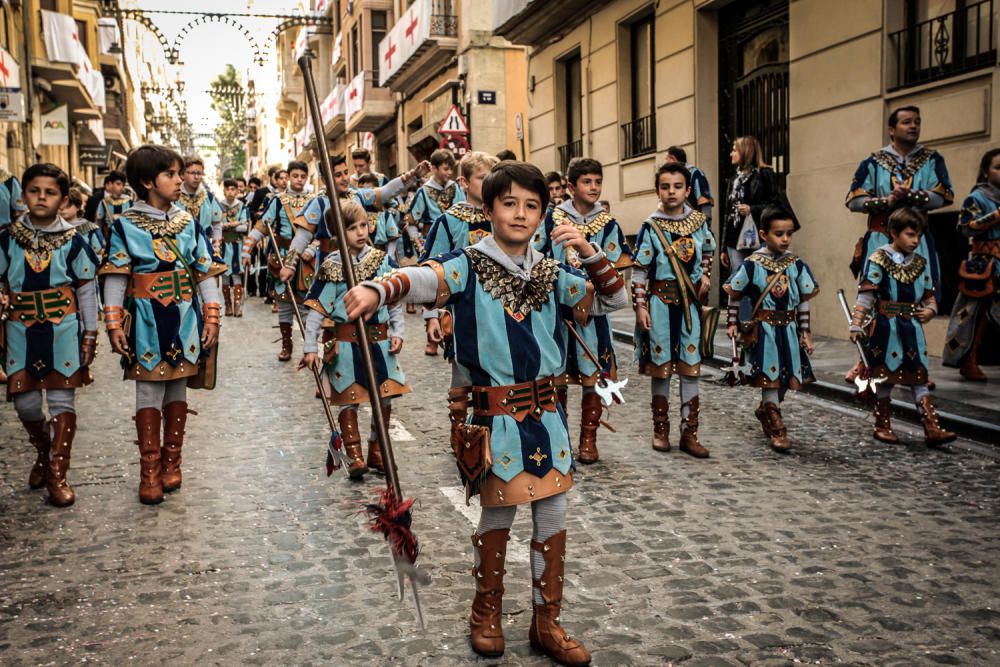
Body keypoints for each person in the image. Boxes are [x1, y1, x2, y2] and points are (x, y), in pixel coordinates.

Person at [343, 161, 628, 666]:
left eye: (532, 205)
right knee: (498, 512)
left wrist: (588, 250)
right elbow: (420, 278)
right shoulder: (467, 265)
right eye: (510, 203)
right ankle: (486, 614)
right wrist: (377, 288)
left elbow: (613, 301)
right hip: (493, 418)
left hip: (547, 415)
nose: (520, 214)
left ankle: (547, 621)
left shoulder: (551, 271)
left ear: (543, 213)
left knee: (553, 514)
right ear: (490, 208)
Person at [101, 144, 226, 505]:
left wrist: (213, 316)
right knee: (148, 392)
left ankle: (173, 463)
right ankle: (149, 472)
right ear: (146, 181)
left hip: (185, 317)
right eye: (170, 174)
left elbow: (204, 273)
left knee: (177, 390)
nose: (178, 180)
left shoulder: (189, 222)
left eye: (178, 173)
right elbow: (115, 276)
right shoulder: (124, 224)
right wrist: (113, 324)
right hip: (144, 319)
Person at [0, 163, 99, 507]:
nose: (41, 197)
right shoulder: (7, 239)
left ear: (63, 198)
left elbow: (86, 289)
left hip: (64, 330)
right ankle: (43, 451)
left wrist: (90, 334)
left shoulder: (75, 241)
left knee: (61, 402)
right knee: (26, 403)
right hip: (19, 330)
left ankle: (58, 473)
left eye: (50, 192)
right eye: (34, 191)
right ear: (23, 194)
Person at [300, 200, 407, 478]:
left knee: (383, 397)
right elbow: (315, 309)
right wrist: (310, 346)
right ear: (338, 233)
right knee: (349, 399)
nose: (360, 232)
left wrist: (398, 332)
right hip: (346, 344)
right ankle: (354, 454)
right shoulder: (331, 266)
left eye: (363, 225)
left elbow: (394, 301)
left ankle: (377, 451)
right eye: (351, 228)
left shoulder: (382, 260)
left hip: (380, 341)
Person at [538, 157, 631, 464]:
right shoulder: (551, 218)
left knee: (594, 374)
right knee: (558, 375)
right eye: (586, 182)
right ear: (570, 186)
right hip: (559, 310)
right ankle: (559, 438)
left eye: (597, 182)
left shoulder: (608, 223)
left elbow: (616, 266)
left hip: (594, 311)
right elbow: (539, 256)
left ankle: (588, 440)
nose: (593, 187)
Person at [849, 207, 955, 447]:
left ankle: (932, 427)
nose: (916, 240)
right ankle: (882, 424)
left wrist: (929, 311)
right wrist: (856, 324)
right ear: (894, 233)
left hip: (912, 329)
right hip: (886, 328)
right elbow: (866, 296)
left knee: (918, 375)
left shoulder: (920, 263)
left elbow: (929, 297)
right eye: (910, 234)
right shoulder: (878, 258)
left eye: (918, 235)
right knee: (886, 377)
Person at [632, 162, 716, 458]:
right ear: (658, 190)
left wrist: (706, 274)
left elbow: (707, 251)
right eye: (665, 186)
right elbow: (640, 270)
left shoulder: (698, 223)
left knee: (690, 368)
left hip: (689, 305)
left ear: (687, 190)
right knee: (662, 369)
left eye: (677, 186)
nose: (671, 192)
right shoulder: (650, 227)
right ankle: (661, 430)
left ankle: (689, 433)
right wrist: (640, 306)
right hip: (659, 305)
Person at [724, 205, 818, 452]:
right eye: (779, 234)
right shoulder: (752, 265)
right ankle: (777, 426)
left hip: (788, 329)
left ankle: (768, 407)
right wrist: (732, 322)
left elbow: (803, 299)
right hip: (764, 330)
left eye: (789, 233)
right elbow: (735, 293)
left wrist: (805, 331)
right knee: (770, 376)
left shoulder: (796, 265)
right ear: (764, 234)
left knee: (788, 376)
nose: (785, 239)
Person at [420, 151, 500, 441]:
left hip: (500, 307)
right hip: (463, 311)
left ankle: (494, 432)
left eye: (493, 177)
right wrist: (431, 316)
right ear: (464, 182)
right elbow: (432, 270)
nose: (489, 183)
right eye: (482, 178)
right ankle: (461, 435)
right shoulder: (449, 221)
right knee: (463, 374)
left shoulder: (502, 215)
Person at [243, 161, 316, 361]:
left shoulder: (314, 200)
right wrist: (247, 249)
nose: (299, 179)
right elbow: (262, 226)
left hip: (306, 259)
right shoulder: (277, 201)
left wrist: (312, 247)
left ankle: (309, 348)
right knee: (284, 302)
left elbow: (322, 230)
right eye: (295, 176)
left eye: (303, 176)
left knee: (305, 304)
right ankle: (287, 344)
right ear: (289, 177)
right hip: (282, 256)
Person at [943, 148, 1000, 380]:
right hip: (984, 265)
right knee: (974, 317)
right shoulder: (977, 197)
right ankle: (968, 361)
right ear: (986, 172)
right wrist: (995, 216)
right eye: (998, 167)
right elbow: (965, 227)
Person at [721, 136, 784, 271]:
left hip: (759, 238)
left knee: (760, 280)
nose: (731, 154)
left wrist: (752, 209)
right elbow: (728, 214)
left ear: (745, 152)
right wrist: (724, 247)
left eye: (734, 150)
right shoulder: (734, 180)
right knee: (739, 284)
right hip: (734, 240)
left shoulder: (764, 174)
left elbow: (776, 204)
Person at [219, 178, 249, 317]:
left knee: (237, 273)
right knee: (225, 273)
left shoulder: (242, 206)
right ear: (224, 190)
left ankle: (237, 305)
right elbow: (216, 225)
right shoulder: (219, 206)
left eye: (233, 189)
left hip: (237, 245)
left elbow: (245, 226)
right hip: (223, 245)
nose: (230, 192)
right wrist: (234, 224)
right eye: (228, 189)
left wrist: (228, 225)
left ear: (237, 191)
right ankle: (228, 305)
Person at [177, 156, 223, 246]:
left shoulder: (209, 197)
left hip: (204, 246)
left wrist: (216, 244)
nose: (196, 177)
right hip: (179, 245)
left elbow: (216, 224)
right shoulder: (174, 195)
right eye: (192, 173)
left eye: (199, 173)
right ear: (182, 174)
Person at [665, 145, 714, 221]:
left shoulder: (696, 174)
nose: (666, 164)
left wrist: (704, 228)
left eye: (667, 160)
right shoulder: (672, 178)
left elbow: (705, 205)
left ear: (673, 159)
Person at [62, 188, 105, 262]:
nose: (62, 207)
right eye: (60, 204)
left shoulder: (90, 228)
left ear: (78, 206)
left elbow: (100, 254)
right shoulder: (52, 228)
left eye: (68, 204)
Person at [94, 170, 132, 241]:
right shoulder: (104, 202)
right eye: (118, 184)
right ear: (111, 184)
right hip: (109, 239)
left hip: (126, 238)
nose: (121, 187)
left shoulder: (129, 202)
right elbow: (98, 223)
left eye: (123, 185)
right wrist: (101, 240)